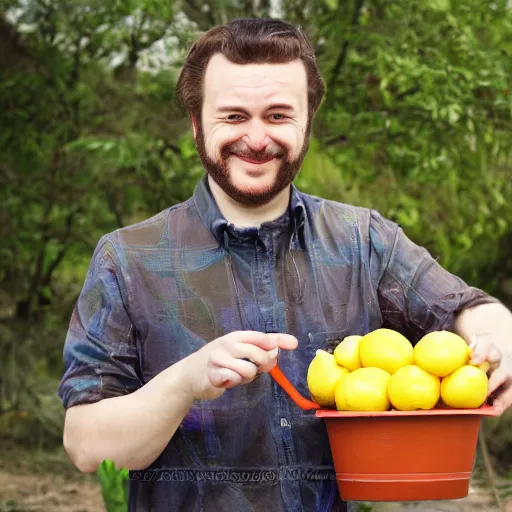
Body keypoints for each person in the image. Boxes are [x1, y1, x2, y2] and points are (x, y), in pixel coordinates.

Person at [57, 18, 512, 512]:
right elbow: (87, 444)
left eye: (278, 115)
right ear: (196, 123)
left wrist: (499, 339)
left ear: (307, 122)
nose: (256, 138)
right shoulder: (127, 258)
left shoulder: (364, 240)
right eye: (233, 117)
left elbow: (468, 308)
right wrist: (185, 382)